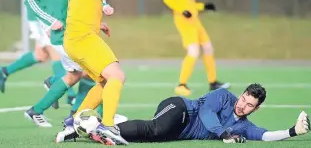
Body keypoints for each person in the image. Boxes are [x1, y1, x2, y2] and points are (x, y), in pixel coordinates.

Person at [62, 0, 132, 145]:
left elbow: (84, 1)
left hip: (79, 38)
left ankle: (73, 122)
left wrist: (99, 23)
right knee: (117, 75)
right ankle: (108, 126)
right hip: (81, 39)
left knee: (104, 82)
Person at [115, 83, 310, 143]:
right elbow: (206, 113)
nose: (242, 106)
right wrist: (224, 134)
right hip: (181, 109)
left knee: (150, 136)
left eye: (249, 105)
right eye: (243, 99)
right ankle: (109, 128)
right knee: (157, 129)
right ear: (241, 94)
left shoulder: (243, 127)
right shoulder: (223, 96)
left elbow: (264, 135)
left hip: (178, 133)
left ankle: (115, 126)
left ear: (256, 108)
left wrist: (292, 131)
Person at [163, 0, 230, 96]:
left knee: (208, 47)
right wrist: (182, 10)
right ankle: (181, 84)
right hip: (184, 20)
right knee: (193, 51)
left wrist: (204, 6)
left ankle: (213, 82)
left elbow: (189, 4)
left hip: (194, 20)